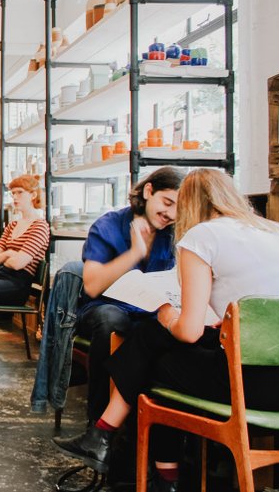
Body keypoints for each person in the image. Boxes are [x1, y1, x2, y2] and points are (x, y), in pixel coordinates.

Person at [53, 169, 279, 492]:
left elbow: (189, 331)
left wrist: (164, 312)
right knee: (156, 342)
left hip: (249, 385)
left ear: (189, 204)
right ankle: (109, 439)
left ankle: (141, 463)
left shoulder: (202, 237)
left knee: (160, 357)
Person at [31, 167, 186, 420]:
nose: (171, 214)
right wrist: (134, 253)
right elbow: (92, 285)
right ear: (148, 191)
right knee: (112, 320)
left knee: (174, 331)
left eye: (179, 208)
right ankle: (98, 426)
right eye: (167, 202)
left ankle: (155, 432)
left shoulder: (174, 233)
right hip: (103, 309)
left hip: (151, 312)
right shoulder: (109, 225)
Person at [0, 174, 50, 350]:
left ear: (33, 195)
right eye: (13, 193)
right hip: (0, 274)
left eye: (19, 192)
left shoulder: (40, 226)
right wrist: (9, 252)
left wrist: (8, 258)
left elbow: (18, 264)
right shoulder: (13, 225)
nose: (14, 197)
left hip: (18, 284)